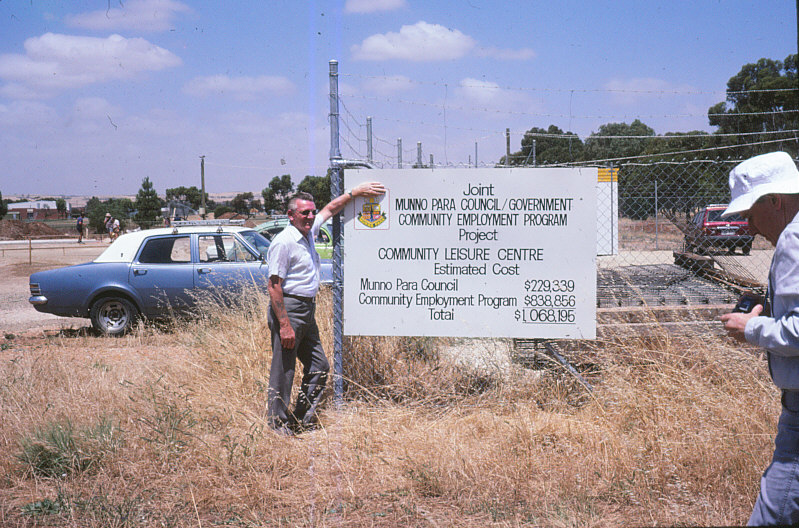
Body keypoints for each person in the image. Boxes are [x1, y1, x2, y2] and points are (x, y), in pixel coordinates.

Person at [266, 181, 386, 435]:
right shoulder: (284, 242)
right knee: (284, 369)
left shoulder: (308, 232)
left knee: (320, 365)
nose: (310, 216)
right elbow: (274, 286)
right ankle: (277, 425)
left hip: (307, 309)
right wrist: (284, 324)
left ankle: (300, 419)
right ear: (291, 215)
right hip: (289, 308)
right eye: (304, 213)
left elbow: (331, 209)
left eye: (312, 212)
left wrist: (356, 193)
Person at [720, 151, 799, 526]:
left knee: (773, 515)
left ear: (775, 201)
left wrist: (749, 328)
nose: (749, 227)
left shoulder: (793, 240)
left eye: (750, 215)